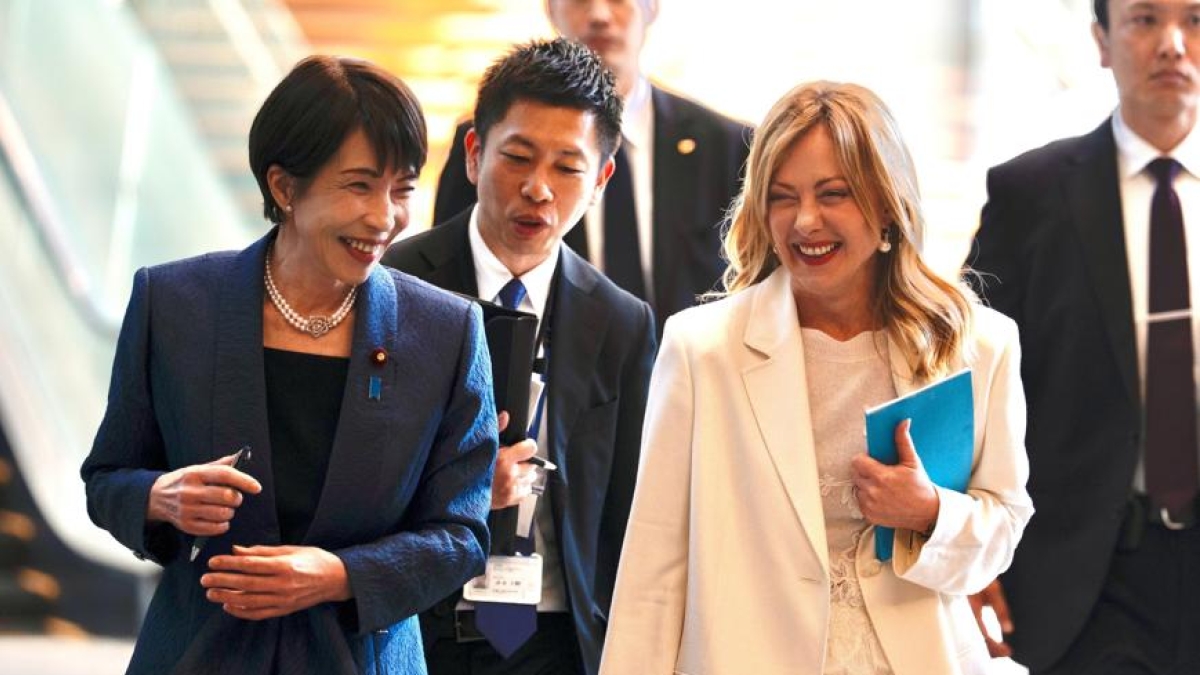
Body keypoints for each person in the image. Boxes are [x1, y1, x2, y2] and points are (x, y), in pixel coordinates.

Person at [80, 55, 498, 675]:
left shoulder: (447, 330)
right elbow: (106, 477)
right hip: (199, 653)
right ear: (284, 188)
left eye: (402, 189)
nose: (384, 217)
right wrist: (159, 498)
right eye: (359, 185)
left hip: (362, 658)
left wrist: (339, 575)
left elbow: (461, 535)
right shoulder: (173, 304)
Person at [599, 81, 1034, 675]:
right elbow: (654, 569)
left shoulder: (977, 344)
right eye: (782, 198)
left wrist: (931, 512)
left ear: (887, 202)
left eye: (834, 194)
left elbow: (1003, 527)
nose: (805, 221)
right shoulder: (702, 349)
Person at [383, 38, 656, 675]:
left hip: (555, 642)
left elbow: (626, 514)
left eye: (568, 168)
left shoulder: (621, 322)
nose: (538, 189)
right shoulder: (395, 285)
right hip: (416, 631)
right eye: (518, 157)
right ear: (474, 154)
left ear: (600, 180)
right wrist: (470, 489)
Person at [969, 1, 1200, 672]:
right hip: (1086, 576)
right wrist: (967, 547)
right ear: (1101, 40)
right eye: (1145, 20)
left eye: (1195, 20)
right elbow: (965, 377)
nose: (1172, 44)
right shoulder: (1029, 193)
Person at [433, 0, 750, 333]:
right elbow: (444, 280)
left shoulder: (730, 147)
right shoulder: (491, 145)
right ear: (551, 9)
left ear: (652, 7)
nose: (599, 15)